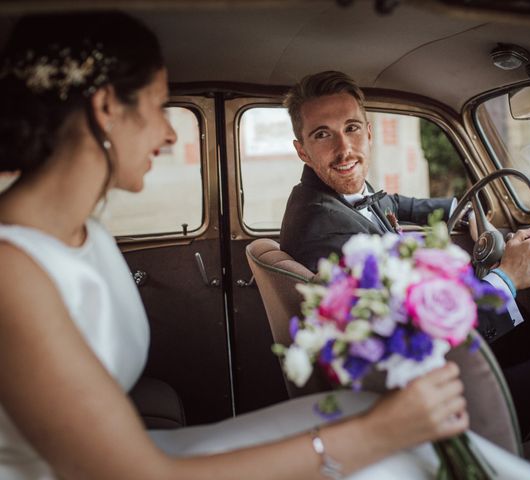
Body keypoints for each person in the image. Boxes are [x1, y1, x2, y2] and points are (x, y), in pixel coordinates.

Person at [0, 11, 490, 480]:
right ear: (107, 108)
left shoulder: (91, 234)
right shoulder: (12, 270)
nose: (169, 132)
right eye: (156, 105)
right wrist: (376, 433)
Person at [279, 70, 530, 437]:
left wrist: (468, 210)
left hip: (429, 369)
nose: (344, 149)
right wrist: (506, 277)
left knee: (524, 330)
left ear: (369, 132)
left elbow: (393, 202)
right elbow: (412, 337)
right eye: (322, 134)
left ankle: (528, 440)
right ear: (302, 150)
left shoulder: (333, 196)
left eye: (352, 128)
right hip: (425, 397)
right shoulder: (323, 226)